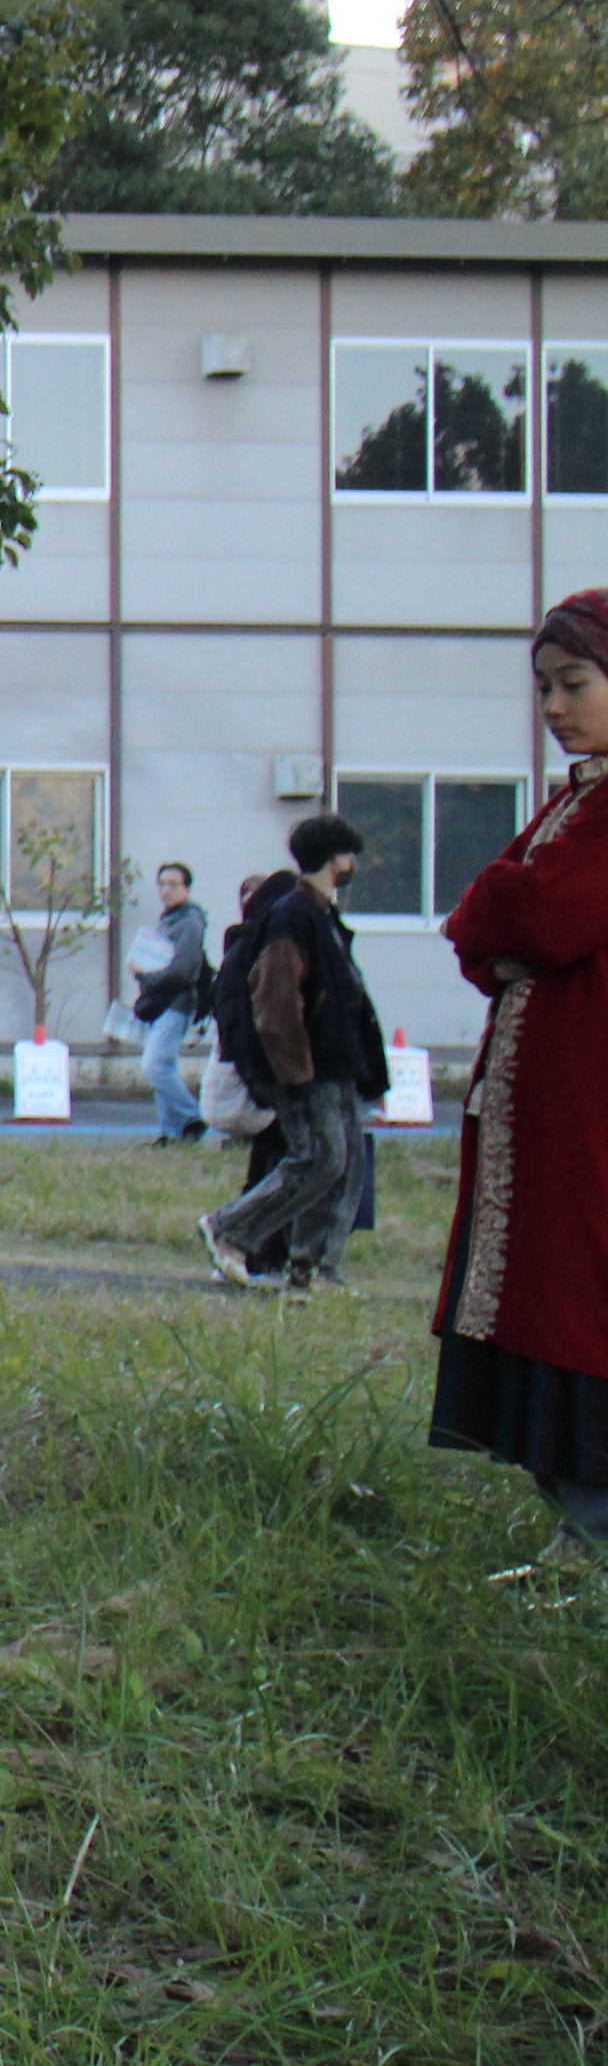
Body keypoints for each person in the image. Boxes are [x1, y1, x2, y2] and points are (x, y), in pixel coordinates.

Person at [429, 590, 608, 1550]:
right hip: (553, 1122)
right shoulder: (577, 801)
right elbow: (475, 930)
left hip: (591, 1120)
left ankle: (593, 1531)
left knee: (578, 1305)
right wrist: (502, 907)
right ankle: (578, 1533)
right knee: (546, 1300)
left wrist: (503, 901)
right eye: (543, 688)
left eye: (575, 683)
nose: (554, 706)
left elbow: (535, 915)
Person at [198, 814, 384, 1293]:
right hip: (311, 1067)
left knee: (344, 1164)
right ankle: (229, 1228)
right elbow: (276, 1000)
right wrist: (294, 1071)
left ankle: (312, 1270)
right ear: (335, 858)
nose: (353, 863)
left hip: (337, 1063)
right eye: (349, 854)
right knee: (319, 1158)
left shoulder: (321, 915)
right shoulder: (293, 915)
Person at [130, 862, 213, 1145]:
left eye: (173, 884)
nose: (166, 890)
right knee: (163, 1066)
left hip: (177, 1002)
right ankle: (173, 1133)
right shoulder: (171, 919)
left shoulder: (190, 922)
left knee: (154, 1065)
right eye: (162, 884)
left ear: (186, 888)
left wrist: (145, 976)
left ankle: (192, 1116)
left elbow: (184, 971)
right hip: (162, 1002)